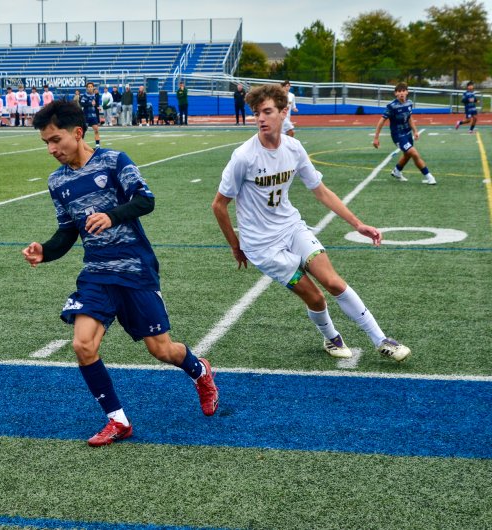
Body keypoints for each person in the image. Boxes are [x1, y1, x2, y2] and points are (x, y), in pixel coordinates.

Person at [22, 100, 220, 446]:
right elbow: (67, 232)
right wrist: (46, 251)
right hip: (97, 273)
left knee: (161, 350)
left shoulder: (114, 162)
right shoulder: (57, 182)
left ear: (77, 133)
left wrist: (112, 215)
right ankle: (118, 421)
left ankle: (199, 370)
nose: (52, 149)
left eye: (56, 140)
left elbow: (146, 200)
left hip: (134, 268)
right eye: (46, 143)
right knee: (83, 345)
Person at [212, 83, 411, 363]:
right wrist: (236, 246)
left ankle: (381, 339)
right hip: (263, 247)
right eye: (257, 113)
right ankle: (331, 338)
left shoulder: (294, 148)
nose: (260, 118)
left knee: (334, 283)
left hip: (292, 228)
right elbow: (219, 205)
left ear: (284, 112)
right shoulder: (244, 157)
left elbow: (320, 190)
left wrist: (358, 224)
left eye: (267, 112)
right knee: (316, 298)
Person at [373, 82, 437, 185]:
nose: (401, 93)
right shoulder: (391, 106)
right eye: (399, 91)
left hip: (408, 133)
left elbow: (410, 118)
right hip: (398, 135)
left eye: (403, 91)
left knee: (407, 155)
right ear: (395, 94)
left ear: (407, 92)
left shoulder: (409, 103)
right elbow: (381, 121)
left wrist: (415, 131)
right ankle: (429, 176)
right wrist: (376, 138)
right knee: (414, 153)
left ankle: (397, 171)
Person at [79, 81, 101, 147]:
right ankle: (80, 144)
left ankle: (97, 146)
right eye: (89, 87)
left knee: (96, 130)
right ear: (87, 88)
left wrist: (97, 107)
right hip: (86, 115)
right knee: (83, 131)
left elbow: (96, 104)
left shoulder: (95, 96)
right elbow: (82, 104)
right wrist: (90, 104)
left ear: (93, 87)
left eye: (91, 87)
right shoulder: (84, 96)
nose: (90, 88)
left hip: (93, 116)